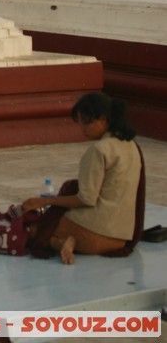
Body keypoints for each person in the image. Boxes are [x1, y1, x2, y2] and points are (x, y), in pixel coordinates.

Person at [22, 92, 144, 265]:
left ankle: (63, 242)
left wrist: (44, 201)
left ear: (103, 119)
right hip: (120, 237)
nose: (83, 129)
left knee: (33, 229)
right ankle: (66, 241)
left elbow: (86, 199)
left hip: (92, 235)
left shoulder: (99, 150)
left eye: (86, 122)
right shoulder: (132, 145)